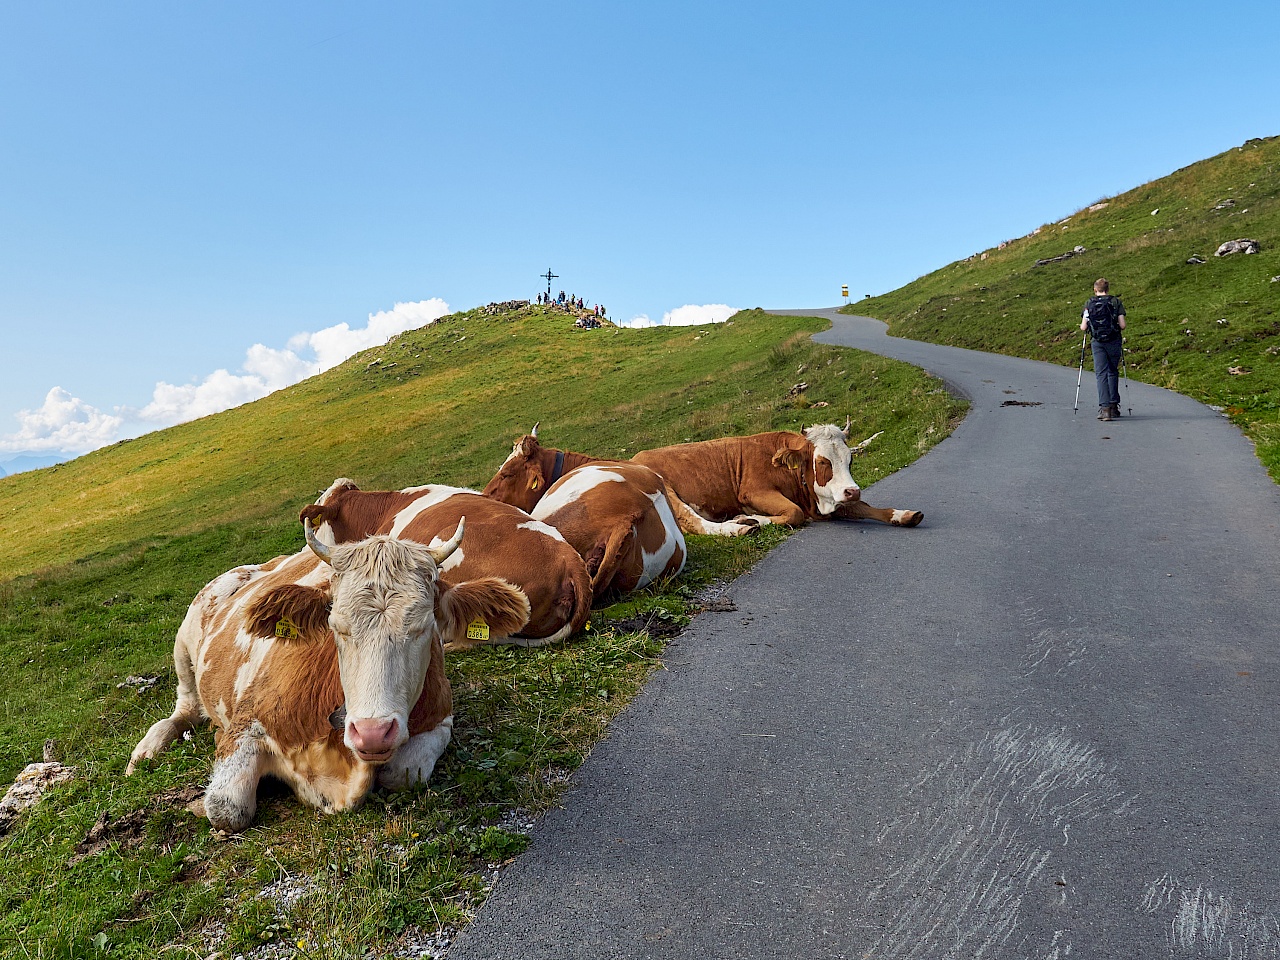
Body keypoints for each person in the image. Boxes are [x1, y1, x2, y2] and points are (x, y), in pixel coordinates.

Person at [1080, 278, 1127, 421]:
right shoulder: (1115, 302)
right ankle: (1114, 406)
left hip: (1098, 342)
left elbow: (1083, 327)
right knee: (1113, 371)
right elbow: (1123, 325)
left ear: (1095, 289)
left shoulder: (1089, 303)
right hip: (1114, 340)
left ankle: (1104, 409)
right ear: (1108, 288)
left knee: (1101, 374)